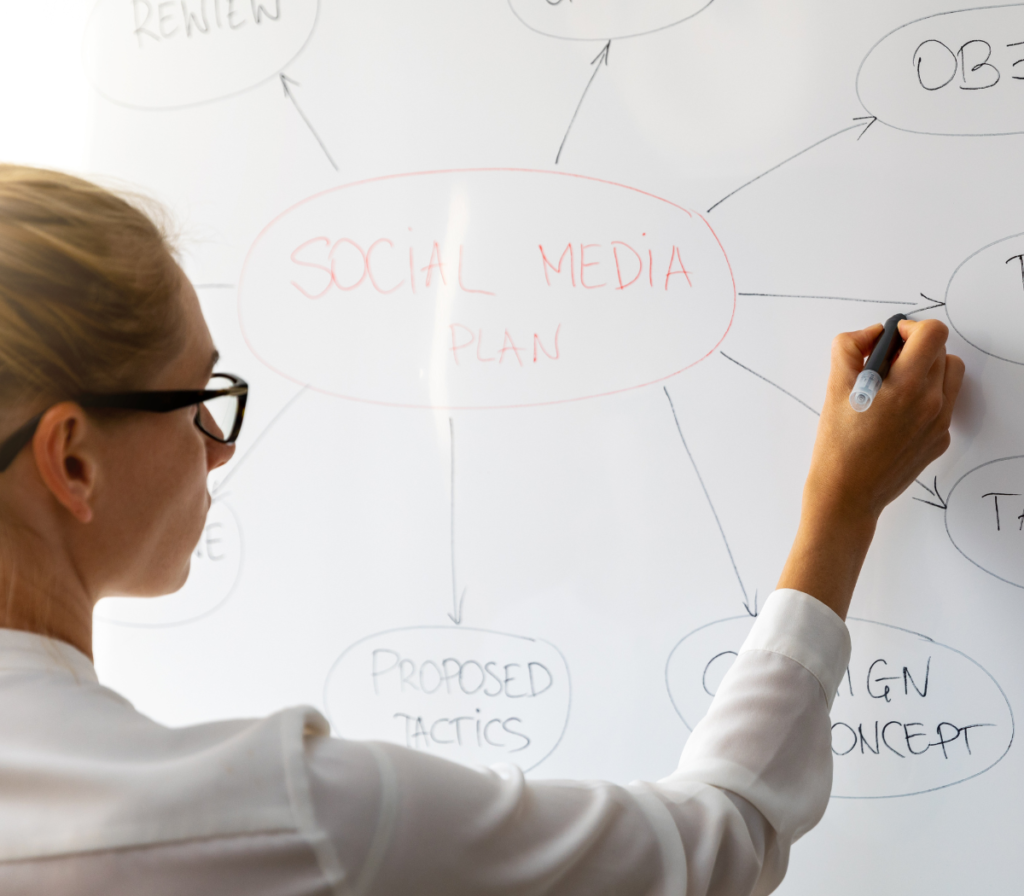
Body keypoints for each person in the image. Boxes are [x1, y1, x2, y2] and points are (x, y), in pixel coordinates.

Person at [0, 165, 963, 895]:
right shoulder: (270, 816)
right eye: (196, 401)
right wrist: (841, 513)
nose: (218, 448)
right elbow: (717, 844)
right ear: (73, 460)